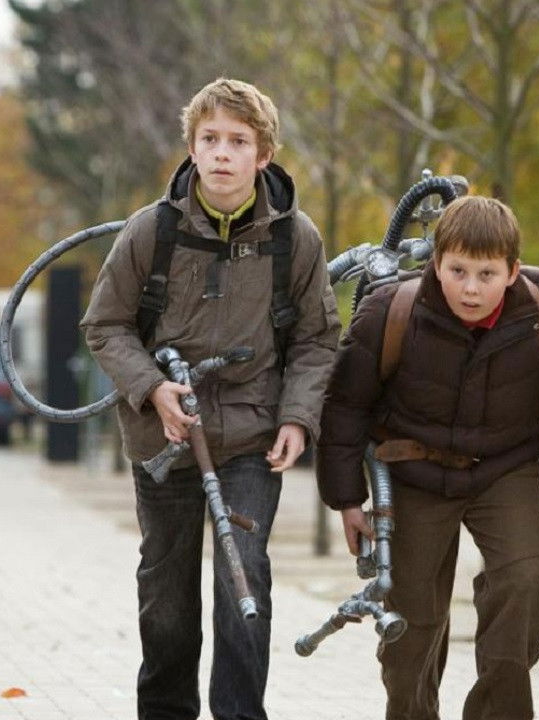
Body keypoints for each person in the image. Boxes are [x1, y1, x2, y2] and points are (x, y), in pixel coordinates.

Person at [80, 78, 339, 720]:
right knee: (165, 593)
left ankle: (240, 713)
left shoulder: (295, 239)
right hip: (163, 438)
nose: (223, 153)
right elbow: (105, 325)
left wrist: (298, 419)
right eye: (210, 139)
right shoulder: (151, 231)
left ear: (264, 155)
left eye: (239, 141)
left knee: (242, 574)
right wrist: (152, 388)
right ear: (192, 148)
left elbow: (317, 339)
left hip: (252, 439)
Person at [316, 195, 539, 720]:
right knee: (411, 619)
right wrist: (347, 499)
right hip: (414, 470)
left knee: (524, 582)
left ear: (512, 271)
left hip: (504, 469)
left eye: (487, 274)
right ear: (436, 264)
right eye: (457, 271)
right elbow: (345, 405)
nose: (470, 288)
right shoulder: (389, 311)